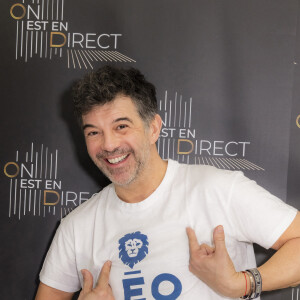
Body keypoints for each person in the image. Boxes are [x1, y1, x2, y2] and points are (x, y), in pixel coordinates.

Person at [35, 65, 300, 300]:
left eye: (121, 126)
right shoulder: (77, 228)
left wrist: (240, 284)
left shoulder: (217, 189)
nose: (109, 145)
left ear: (153, 128)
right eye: (94, 132)